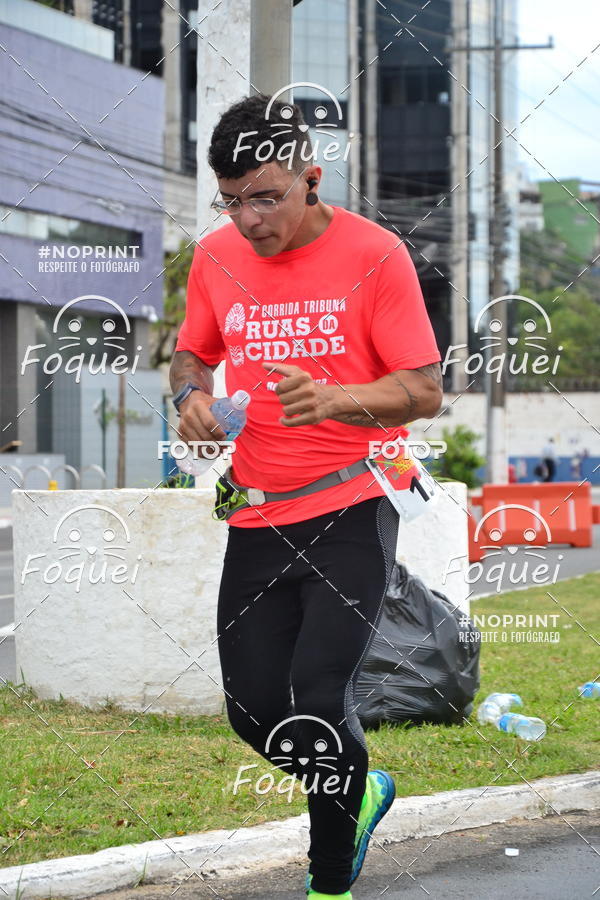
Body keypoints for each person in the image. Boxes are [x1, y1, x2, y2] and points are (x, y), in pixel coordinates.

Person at [169, 95, 443, 900]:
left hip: (355, 505)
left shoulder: (376, 253)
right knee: (253, 711)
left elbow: (424, 391)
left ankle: (328, 880)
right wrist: (187, 399)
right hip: (256, 510)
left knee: (320, 699)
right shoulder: (216, 258)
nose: (248, 219)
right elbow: (193, 352)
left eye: (266, 197)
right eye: (232, 199)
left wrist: (333, 401)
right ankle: (361, 789)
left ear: (310, 180)